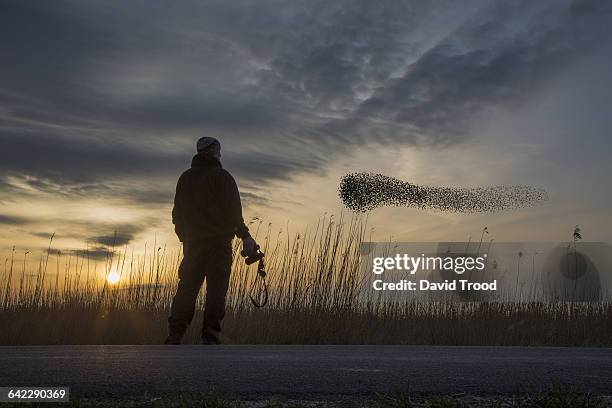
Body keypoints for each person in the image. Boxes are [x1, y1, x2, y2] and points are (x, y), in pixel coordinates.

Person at [165, 137, 257, 345]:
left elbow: (176, 214)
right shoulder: (223, 178)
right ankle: (210, 335)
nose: (221, 154)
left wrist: (185, 238)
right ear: (214, 152)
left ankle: (175, 335)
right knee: (216, 290)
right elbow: (234, 214)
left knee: (186, 289)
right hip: (219, 245)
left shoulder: (185, 178)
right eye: (219, 150)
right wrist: (246, 237)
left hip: (193, 245)